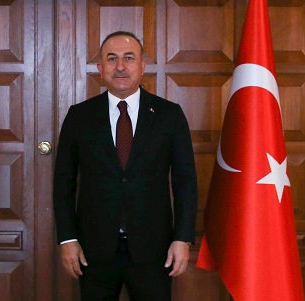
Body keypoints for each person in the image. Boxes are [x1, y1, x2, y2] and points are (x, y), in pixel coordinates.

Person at [53, 31, 197, 300]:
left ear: (143, 65)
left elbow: (185, 180)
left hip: (155, 250)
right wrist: (67, 239)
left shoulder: (169, 115)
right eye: (112, 59)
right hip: (93, 250)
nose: (120, 66)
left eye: (129, 58)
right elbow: (64, 181)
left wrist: (183, 238)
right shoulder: (79, 116)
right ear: (101, 68)